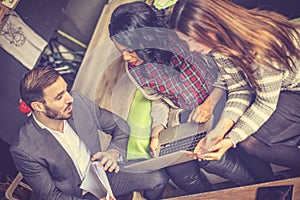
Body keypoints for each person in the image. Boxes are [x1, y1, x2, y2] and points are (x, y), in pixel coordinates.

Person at [109, 1, 255, 194]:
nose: (126, 58)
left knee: (208, 156)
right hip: (189, 117)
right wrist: (157, 132)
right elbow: (158, 100)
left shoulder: (183, 38)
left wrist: (209, 103)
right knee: (176, 167)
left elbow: (226, 70)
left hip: (223, 98)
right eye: (122, 52)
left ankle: (255, 187)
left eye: (129, 50)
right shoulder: (136, 68)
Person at [169, 0, 300, 172]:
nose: (191, 48)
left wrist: (230, 138)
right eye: (185, 41)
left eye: (192, 39)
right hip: (281, 89)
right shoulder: (218, 47)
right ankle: (266, 188)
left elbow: (266, 103)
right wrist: (220, 131)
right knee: (240, 140)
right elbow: (239, 90)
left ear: (212, 26)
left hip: (295, 90)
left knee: (247, 142)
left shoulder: (260, 48)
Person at [10, 67, 168, 200]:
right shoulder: (24, 149)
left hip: (105, 174)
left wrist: (113, 153)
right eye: (59, 97)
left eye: (66, 90)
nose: (69, 98)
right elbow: (51, 196)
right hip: (78, 195)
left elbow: (119, 127)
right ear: (38, 106)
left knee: (158, 178)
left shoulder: (78, 103)